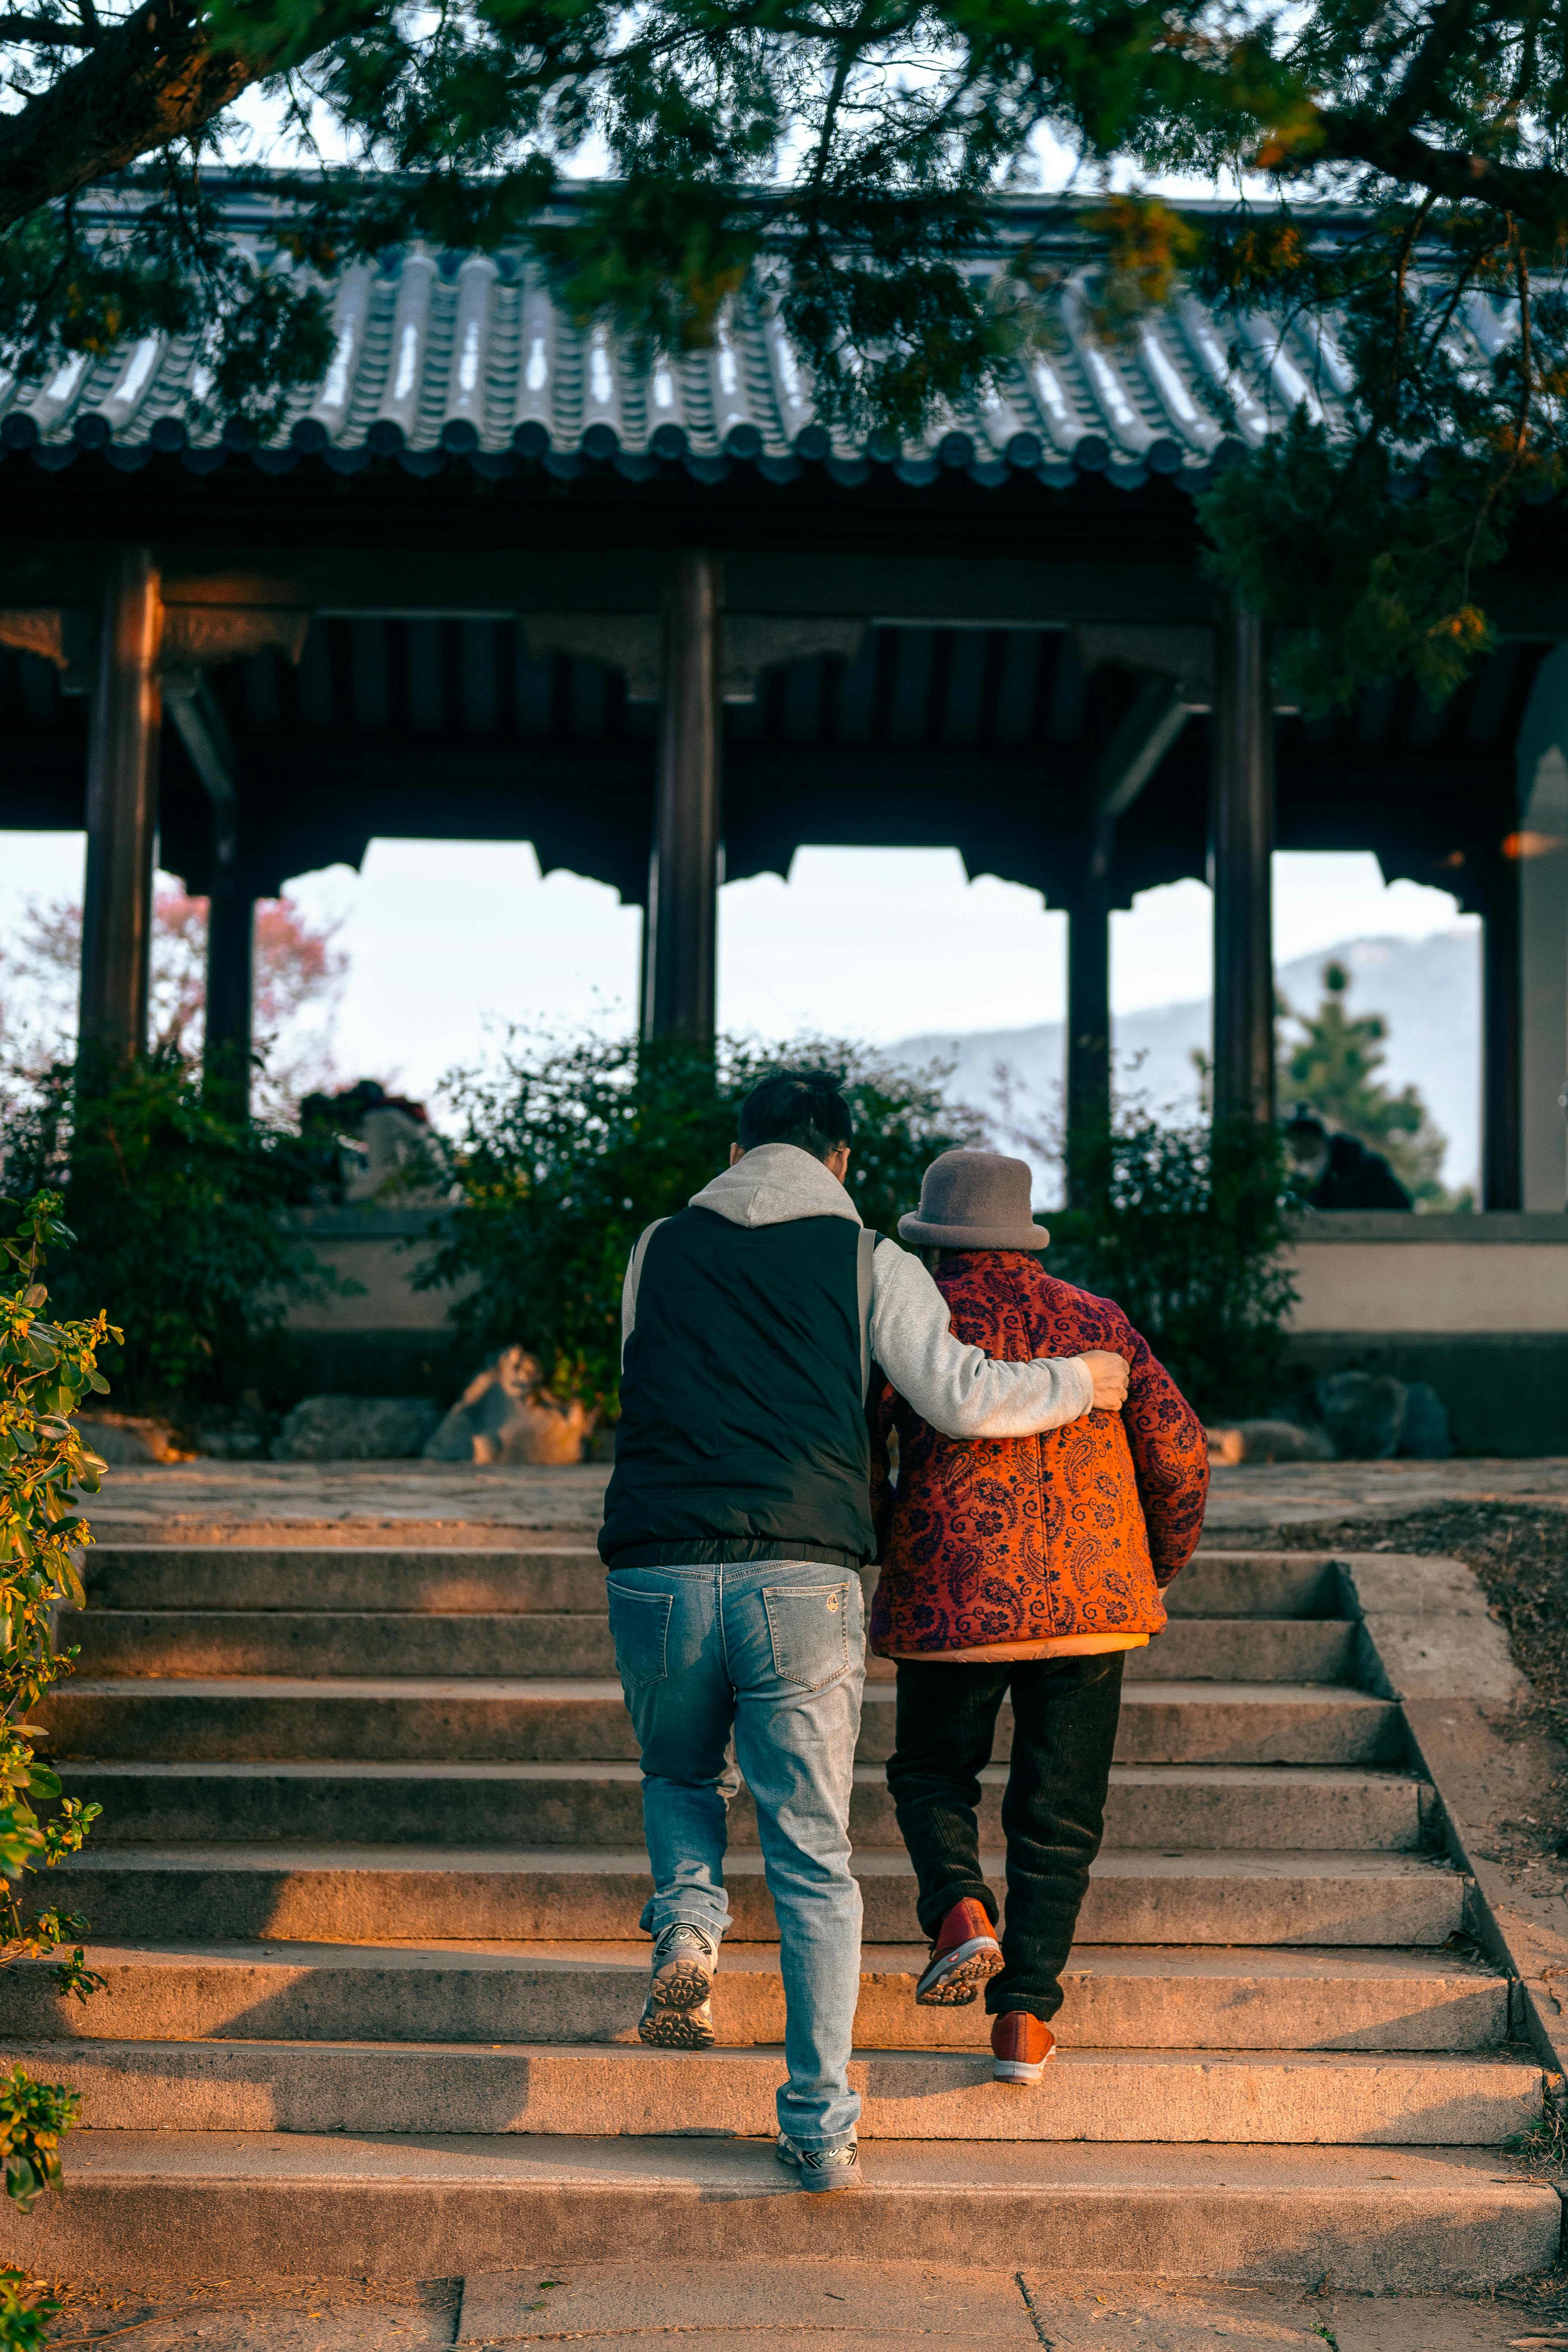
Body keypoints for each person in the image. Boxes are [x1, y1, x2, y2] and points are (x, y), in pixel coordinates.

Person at [598, 1074, 1130, 2193]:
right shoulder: (868, 1261)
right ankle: (817, 2121)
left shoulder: (657, 1245)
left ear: (735, 1144)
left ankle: (689, 1928)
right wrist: (1081, 1382)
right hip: (799, 1572)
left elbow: (637, 1381)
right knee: (810, 1860)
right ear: (839, 1158)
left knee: (679, 1771)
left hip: (653, 1562)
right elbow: (958, 1395)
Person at [869, 1148, 1209, 2087]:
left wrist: (881, 1541)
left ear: (931, 1238)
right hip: (1093, 1604)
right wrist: (1149, 1569)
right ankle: (1022, 2020)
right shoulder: (1098, 1320)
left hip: (954, 1593)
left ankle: (959, 1910)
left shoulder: (910, 1316)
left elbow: (860, 1454)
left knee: (931, 1772)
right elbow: (1178, 1455)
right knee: (1058, 1815)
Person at [1283, 1105, 1412, 1209]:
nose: (1303, 1143)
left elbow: (1400, 1208)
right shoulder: (1300, 1179)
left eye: (1310, 1136)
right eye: (1296, 1137)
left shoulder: (1366, 1169)